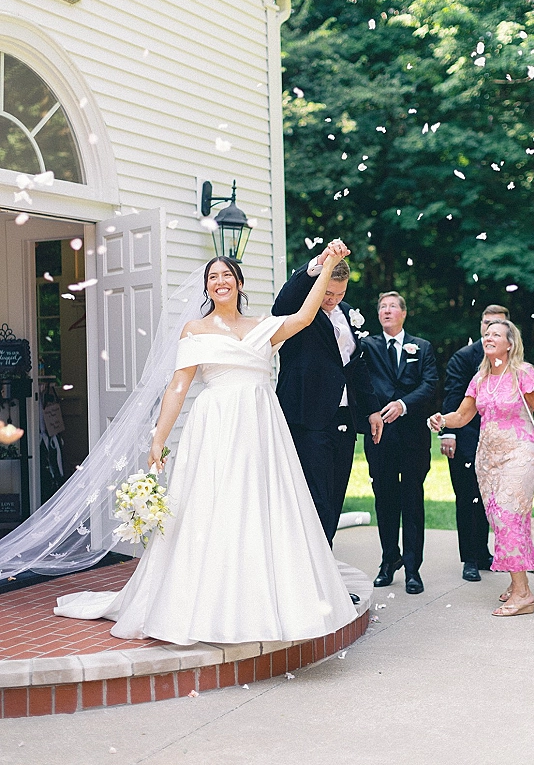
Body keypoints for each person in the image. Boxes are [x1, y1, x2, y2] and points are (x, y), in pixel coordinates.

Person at [54, 250, 358, 645]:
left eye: (227, 275)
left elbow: (303, 317)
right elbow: (178, 386)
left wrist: (327, 266)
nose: (220, 281)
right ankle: (205, 604)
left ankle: (264, 602)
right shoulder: (194, 330)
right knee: (214, 505)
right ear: (207, 287)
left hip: (262, 425)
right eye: (213, 277)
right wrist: (158, 439)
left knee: (263, 506)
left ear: (239, 283)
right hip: (216, 424)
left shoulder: (263, 325)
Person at [428, 319, 534, 617]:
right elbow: (462, 416)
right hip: (487, 460)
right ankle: (517, 584)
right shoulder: (480, 379)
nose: (488, 337)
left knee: (508, 514)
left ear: (510, 343)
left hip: (520, 454)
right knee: (502, 519)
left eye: (496, 334)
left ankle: (524, 593)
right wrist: (442, 420)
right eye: (486, 333)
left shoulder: (523, 373)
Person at [272, 242, 383, 545]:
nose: (333, 301)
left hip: (345, 416)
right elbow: (280, 306)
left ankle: (328, 572)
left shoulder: (347, 314)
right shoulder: (299, 309)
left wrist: (371, 409)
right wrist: (317, 264)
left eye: (340, 294)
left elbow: (356, 366)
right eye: (328, 293)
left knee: (335, 496)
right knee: (316, 498)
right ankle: (317, 579)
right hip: (309, 416)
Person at [361, 291, 438, 594]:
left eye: (393, 306)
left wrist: (403, 405)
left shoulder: (422, 347)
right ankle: (388, 559)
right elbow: (360, 383)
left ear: (404, 313)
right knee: (384, 499)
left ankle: (412, 569)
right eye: (382, 307)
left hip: (413, 438)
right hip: (379, 437)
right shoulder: (367, 346)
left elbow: (430, 384)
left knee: (412, 500)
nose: (387, 311)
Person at [440, 305, 509, 582]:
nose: (491, 328)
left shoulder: (510, 361)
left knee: (487, 500)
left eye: (498, 324)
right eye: (488, 323)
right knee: (467, 497)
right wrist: (448, 433)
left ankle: (483, 552)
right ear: (481, 326)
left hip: (499, 440)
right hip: (466, 437)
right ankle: (469, 558)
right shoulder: (464, 358)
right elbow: (453, 396)